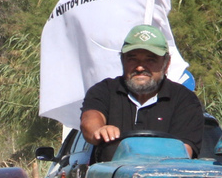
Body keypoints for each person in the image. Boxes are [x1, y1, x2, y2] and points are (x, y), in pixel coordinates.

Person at [80, 25, 204, 157]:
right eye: (132, 59)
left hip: (163, 176)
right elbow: (90, 120)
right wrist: (99, 130)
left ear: (166, 64)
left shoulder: (185, 99)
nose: (139, 67)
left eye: (150, 60)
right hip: (109, 176)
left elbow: (184, 152)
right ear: (122, 61)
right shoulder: (104, 90)